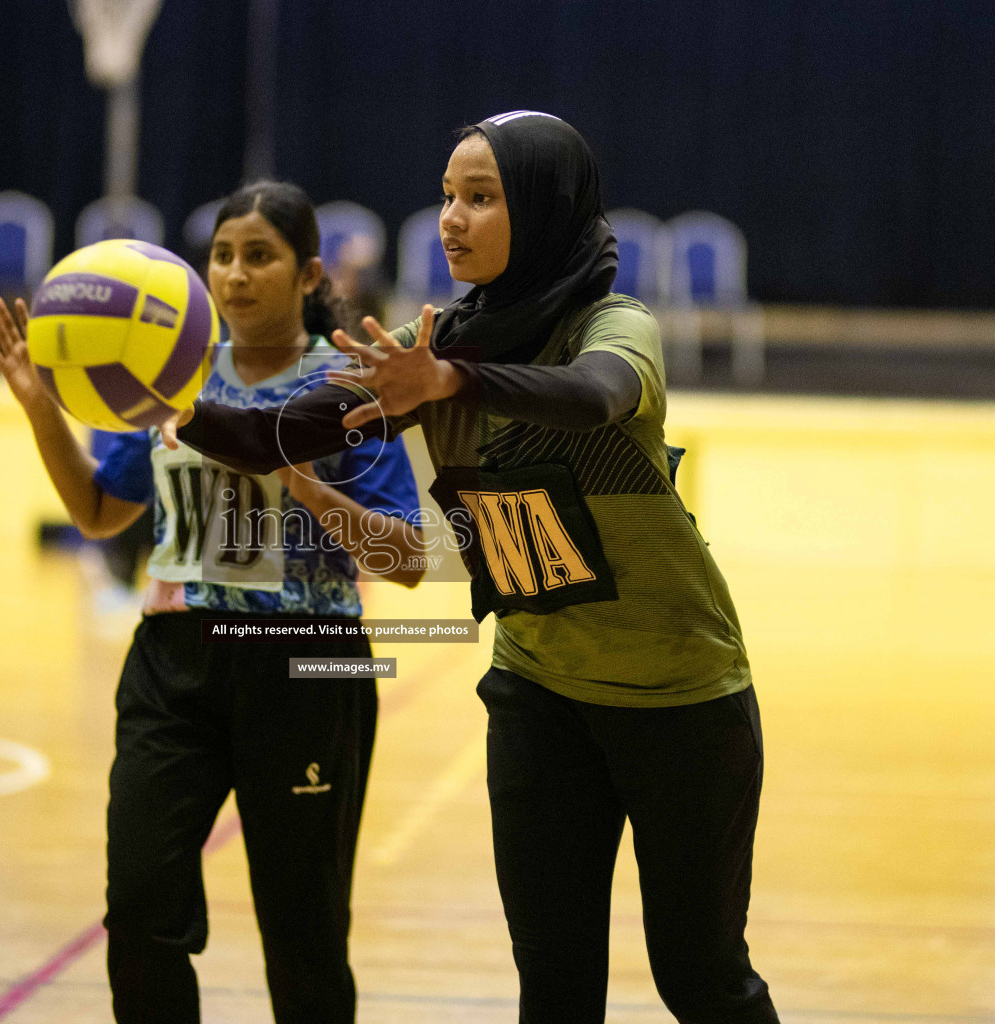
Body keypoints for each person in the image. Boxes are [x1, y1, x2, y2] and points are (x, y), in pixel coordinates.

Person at [163, 113, 779, 1022]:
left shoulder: (614, 326)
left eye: (481, 198)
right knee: (555, 982)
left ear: (544, 209)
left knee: (699, 977)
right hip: (538, 693)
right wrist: (155, 387)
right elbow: (271, 437)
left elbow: (595, 396)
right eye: (448, 195)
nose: (451, 217)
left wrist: (457, 382)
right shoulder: (432, 342)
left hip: (680, 698)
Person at [0, 181, 425, 1024]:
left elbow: (407, 560)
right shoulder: (160, 380)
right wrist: (42, 407)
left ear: (307, 274)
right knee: (141, 908)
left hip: (309, 663)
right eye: (222, 255)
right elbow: (97, 512)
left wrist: (306, 487)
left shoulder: (348, 388)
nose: (234, 274)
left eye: (259, 256)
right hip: (174, 664)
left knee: (305, 933)